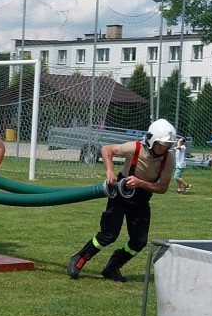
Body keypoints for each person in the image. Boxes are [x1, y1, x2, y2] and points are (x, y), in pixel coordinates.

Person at [67, 118, 176, 282]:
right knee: (108, 235)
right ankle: (80, 258)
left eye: (168, 144)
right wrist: (110, 171)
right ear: (152, 140)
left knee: (139, 241)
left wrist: (141, 183)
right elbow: (107, 149)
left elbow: (163, 187)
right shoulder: (135, 148)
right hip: (121, 192)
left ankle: (113, 266)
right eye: (162, 144)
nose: (165, 148)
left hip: (142, 197)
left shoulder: (168, 160)